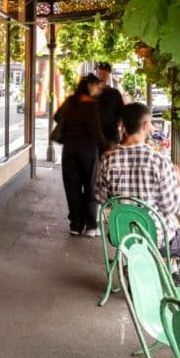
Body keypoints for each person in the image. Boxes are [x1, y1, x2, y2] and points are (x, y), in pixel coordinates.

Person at [95, 102, 180, 257]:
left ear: (123, 125)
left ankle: (139, 269)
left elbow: (101, 199)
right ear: (145, 125)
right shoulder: (160, 162)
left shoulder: (107, 160)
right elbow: (173, 208)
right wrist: (178, 186)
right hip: (156, 239)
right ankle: (167, 272)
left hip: (122, 236)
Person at [53, 74, 105, 237]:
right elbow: (97, 133)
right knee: (90, 187)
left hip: (69, 150)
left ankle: (75, 225)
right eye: (96, 86)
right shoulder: (92, 105)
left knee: (72, 188)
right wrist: (105, 149)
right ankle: (90, 226)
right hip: (88, 151)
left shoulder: (70, 101)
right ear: (90, 86)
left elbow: (56, 116)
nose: (98, 90)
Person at [96, 82, 125, 156]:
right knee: (110, 159)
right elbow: (122, 112)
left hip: (105, 134)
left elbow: (122, 112)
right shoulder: (114, 93)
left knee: (107, 159)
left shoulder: (113, 93)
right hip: (107, 134)